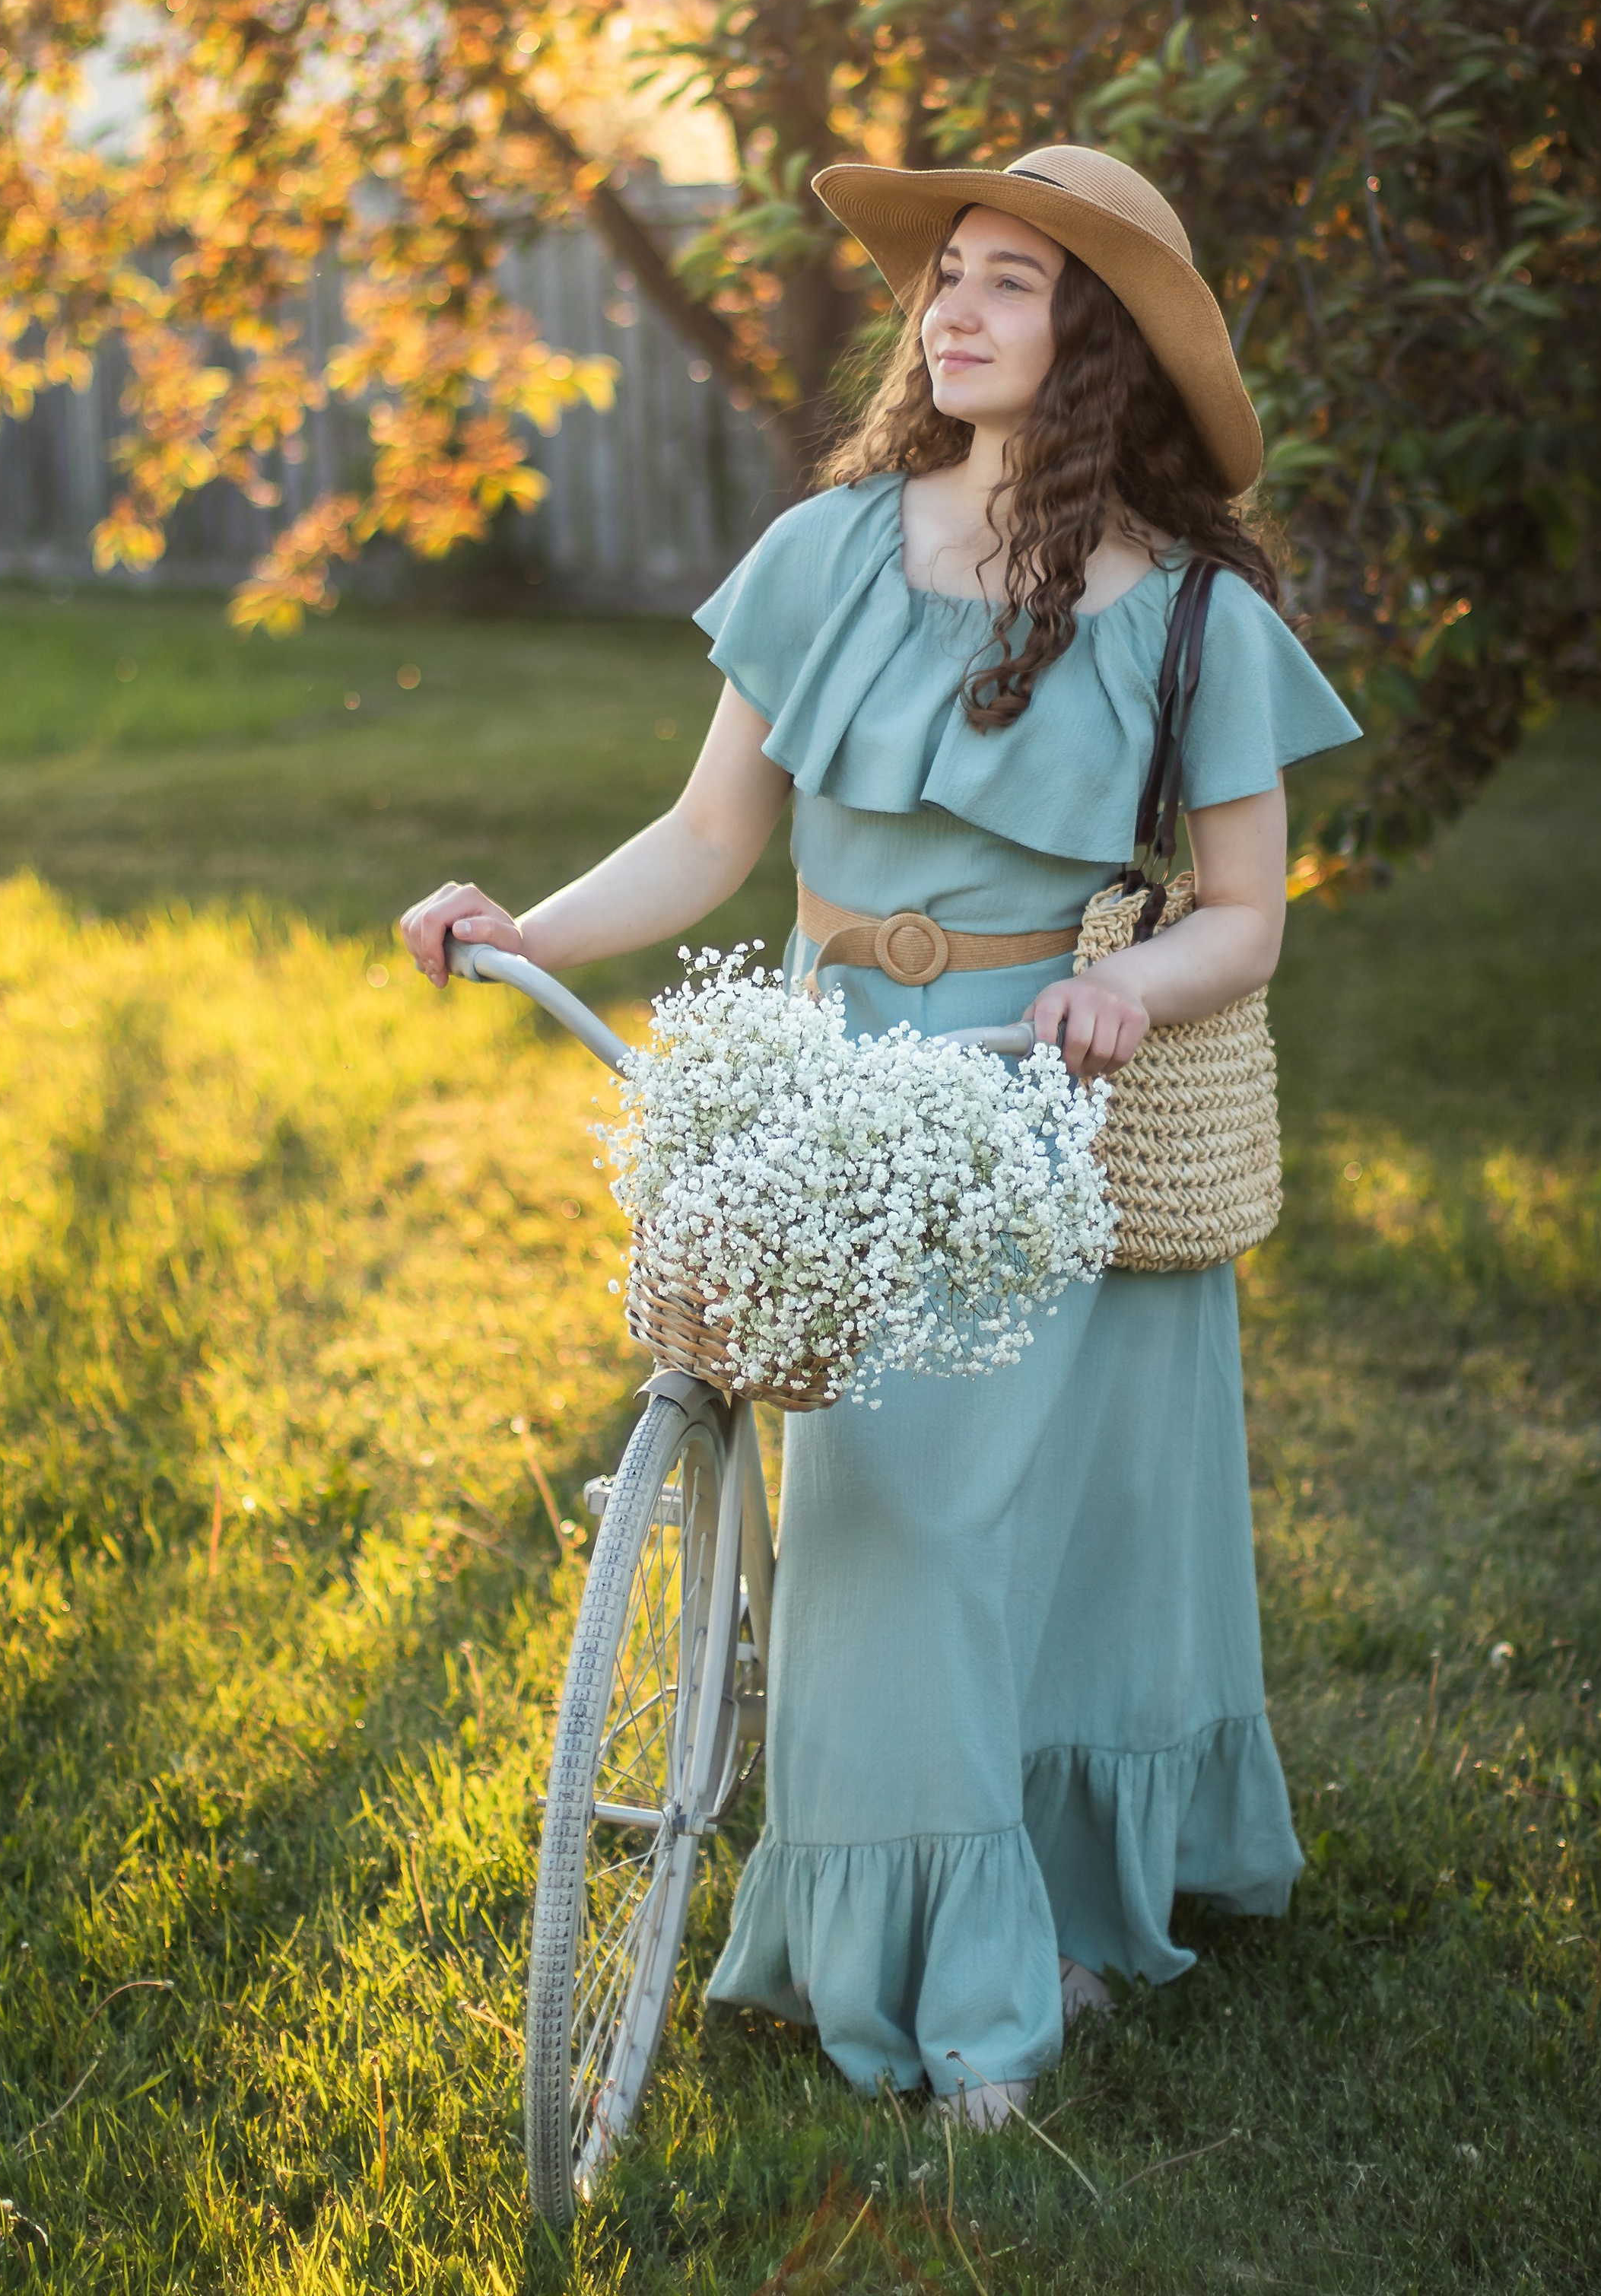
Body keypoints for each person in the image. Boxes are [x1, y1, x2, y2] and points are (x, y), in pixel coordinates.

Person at [399, 144, 1359, 2123]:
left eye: (1011, 281)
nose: (956, 307)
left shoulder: (1191, 622)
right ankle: (930, 1955)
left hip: (1043, 1093)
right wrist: (521, 920)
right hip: (836, 1089)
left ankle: (1050, 1934)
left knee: (1068, 1534)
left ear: (1092, 342)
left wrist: (1134, 986)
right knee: (893, 1526)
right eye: (948, 277)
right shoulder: (834, 550)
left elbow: (1249, 916)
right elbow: (705, 841)